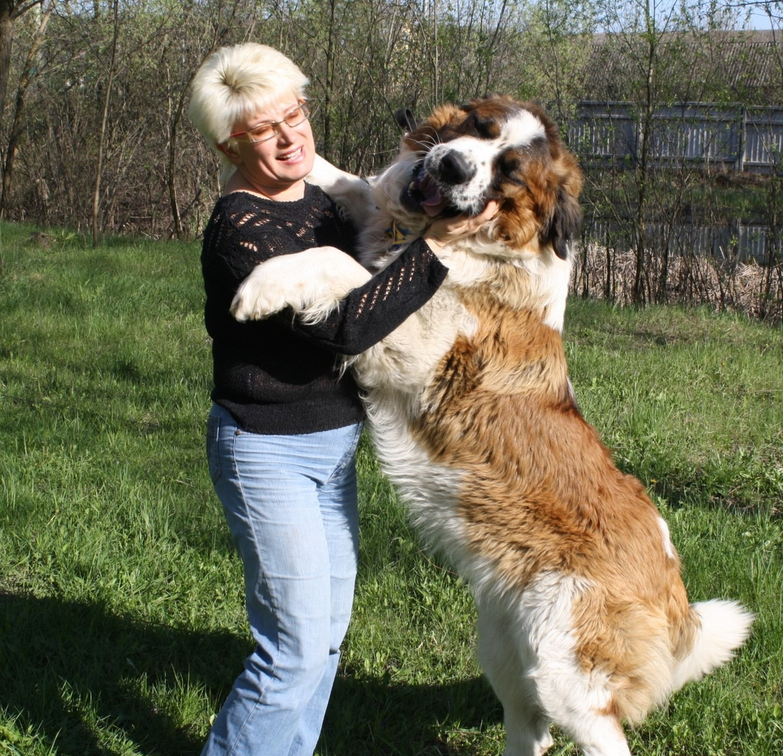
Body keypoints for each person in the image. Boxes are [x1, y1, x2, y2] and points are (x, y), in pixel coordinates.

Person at [187, 43, 496, 756]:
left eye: (296, 114)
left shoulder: (322, 203)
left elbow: (370, 221)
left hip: (332, 449)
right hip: (266, 451)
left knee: (324, 642)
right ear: (230, 145)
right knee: (290, 651)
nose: (292, 136)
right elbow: (348, 325)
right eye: (267, 131)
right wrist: (440, 241)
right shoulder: (241, 226)